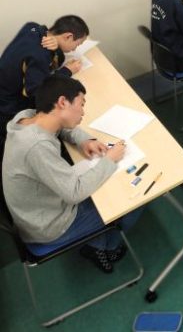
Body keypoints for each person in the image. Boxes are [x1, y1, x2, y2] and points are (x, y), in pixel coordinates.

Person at [2, 75, 140, 273]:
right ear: (62, 102)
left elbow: (59, 128)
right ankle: (106, 247)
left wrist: (84, 140)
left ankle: (97, 241)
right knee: (130, 201)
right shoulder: (37, 146)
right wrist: (110, 159)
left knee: (103, 187)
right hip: (50, 226)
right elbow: (74, 192)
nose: (83, 112)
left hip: (35, 212)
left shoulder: (28, 117)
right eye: (81, 104)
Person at [0, 15, 89, 162]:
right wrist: (67, 71)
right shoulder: (40, 55)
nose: (74, 49)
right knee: (61, 110)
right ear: (68, 36)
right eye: (77, 44)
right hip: (9, 108)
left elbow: (44, 59)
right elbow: (39, 91)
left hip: (3, 89)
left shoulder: (32, 28)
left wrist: (56, 49)